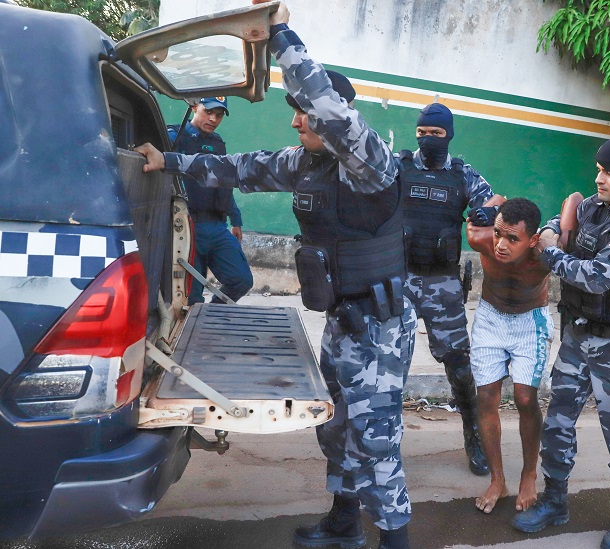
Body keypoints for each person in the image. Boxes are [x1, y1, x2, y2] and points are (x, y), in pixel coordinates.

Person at [134, 4, 416, 548]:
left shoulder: (370, 161)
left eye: (302, 111)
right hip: (343, 319)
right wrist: (167, 160)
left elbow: (328, 113)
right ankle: (343, 524)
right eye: (293, 112)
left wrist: (280, 35)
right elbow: (241, 167)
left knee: (377, 440)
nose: (296, 119)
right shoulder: (304, 161)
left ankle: (395, 541)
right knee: (335, 428)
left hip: (381, 326)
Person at [513, 136, 610, 549]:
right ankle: (555, 500)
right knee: (559, 422)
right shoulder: (592, 208)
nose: (599, 177)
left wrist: (550, 254)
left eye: (609, 172)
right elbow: (556, 223)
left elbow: (600, 276)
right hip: (578, 338)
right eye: (598, 169)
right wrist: (552, 231)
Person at [398, 102, 503, 476]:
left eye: (436, 134)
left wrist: (488, 212)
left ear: (449, 136)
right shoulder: (399, 166)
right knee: (392, 360)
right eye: (422, 133)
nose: (428, 140)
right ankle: (386, 441)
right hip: (399, 280)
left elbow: (495, 200)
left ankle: (473, 433)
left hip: (442, 283)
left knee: (459, 366)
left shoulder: (462, 174)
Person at [466, 197, 553, 515]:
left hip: (531, 322)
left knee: (526, 398)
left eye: (512, 238)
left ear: (532, 240)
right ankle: (498, 480)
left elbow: (572, 205)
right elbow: (478, 221)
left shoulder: (544, 256)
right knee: (486, 396)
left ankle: (529, 474)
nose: (501, 244)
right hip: (490, 319)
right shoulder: (482, 239)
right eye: (499, 233)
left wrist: (555, 230)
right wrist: (494, 204)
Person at [167, 97, 253, 305]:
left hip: (216, 226)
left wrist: (236, 219)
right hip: (186, 226)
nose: (213, 119)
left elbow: (223, 183)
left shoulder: (217, 143)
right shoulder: (174, 137)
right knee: (190, 297)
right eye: (208, 112)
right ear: (195, 107)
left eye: (219, 114)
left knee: (241, 280)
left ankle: (213, 313)